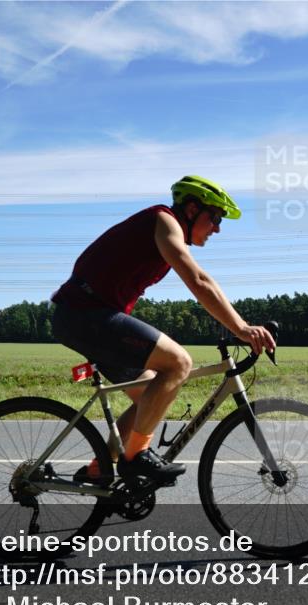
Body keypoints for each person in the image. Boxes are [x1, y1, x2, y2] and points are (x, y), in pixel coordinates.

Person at [50, 175, 276, 484]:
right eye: (215, 217)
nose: (218, 228)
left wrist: (238, 327)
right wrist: (242, 328)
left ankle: (99, 469)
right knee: (179, 363)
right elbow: (198, 281)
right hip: (84, 315)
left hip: (84, 316)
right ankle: (136, 457)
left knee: (153, 397)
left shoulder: (165, 229)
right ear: (192, 208)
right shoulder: (164, 220)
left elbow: (203, 283)